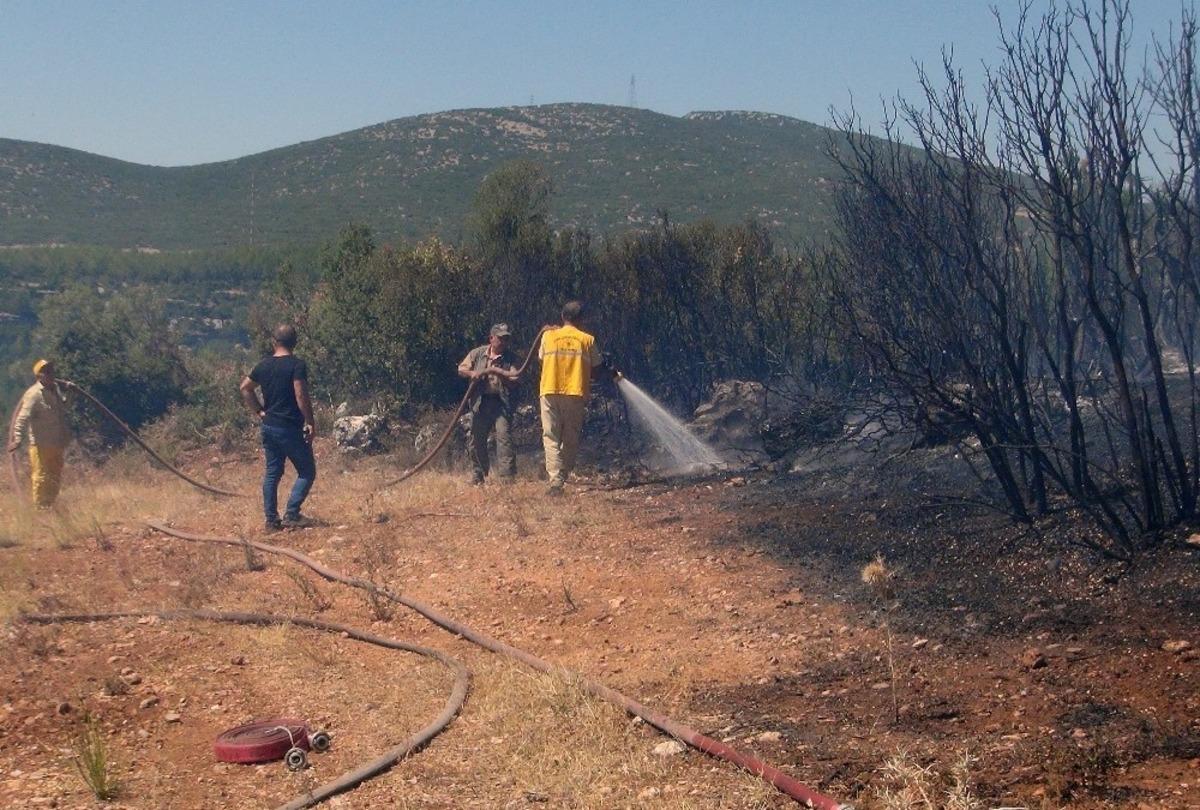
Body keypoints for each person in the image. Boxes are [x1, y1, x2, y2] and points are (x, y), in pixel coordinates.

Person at [240, 324, 316, 532]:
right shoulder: (296, 365)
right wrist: (309, 421)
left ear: (274, 342)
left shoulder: (263, 365)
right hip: (289, 427)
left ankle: (271, 521)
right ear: (295, 343)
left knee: (273, 473)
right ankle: (292, 514)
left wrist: (259, 411)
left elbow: (245, 388)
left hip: (269, 426)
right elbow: (300, 394)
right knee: (307, 471)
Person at [538, 301, 613, 494]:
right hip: (575, 392)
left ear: (563, 317)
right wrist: (609, 371)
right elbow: (597, 370)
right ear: (581, 319)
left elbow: (541, 358)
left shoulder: (548, 336)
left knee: (551, 436)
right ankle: (560, 476)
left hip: (549, 390)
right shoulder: (587, 339)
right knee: (570, 437)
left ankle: (556, 479)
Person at [458, 323, 521, 484]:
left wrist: (502, 374)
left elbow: (515, 377)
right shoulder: (478, 353)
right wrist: (473, 373)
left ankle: (507, 478)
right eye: (500, 338)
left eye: (506, 339)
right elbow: (461, 369)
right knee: (476, 439)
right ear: (491, 338)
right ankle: (478, 474)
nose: (503, 342)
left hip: (501, 403)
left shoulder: (511, 357)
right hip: (481, 402)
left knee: (504, 438)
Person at [8, 359, 73, 509]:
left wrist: (69, 393)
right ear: (39, 376)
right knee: (42, 477)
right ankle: (40, 507)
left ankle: (51, 504)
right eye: (47, 372)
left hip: (57, 443)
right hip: (41, 444)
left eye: (52, 371)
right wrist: (17, 438)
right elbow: (22, 418)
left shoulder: (55, 389)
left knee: (55, 475)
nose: (51, 375)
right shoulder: (33, 395)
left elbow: (64, 407)